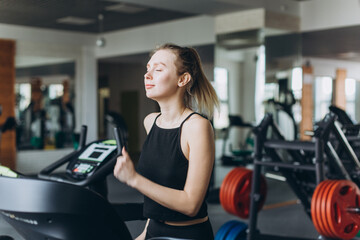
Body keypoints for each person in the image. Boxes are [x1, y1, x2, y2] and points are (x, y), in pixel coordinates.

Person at [113, 43, 219, 240]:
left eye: (158, 69)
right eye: (148, 68)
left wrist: (134, 179)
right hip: (154, 231)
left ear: (183, 79)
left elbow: (190, 204)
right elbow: (157, 195)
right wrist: (145, 234)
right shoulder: (150, 122)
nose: (148, 75)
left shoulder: (197, 127)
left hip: (187, 235)